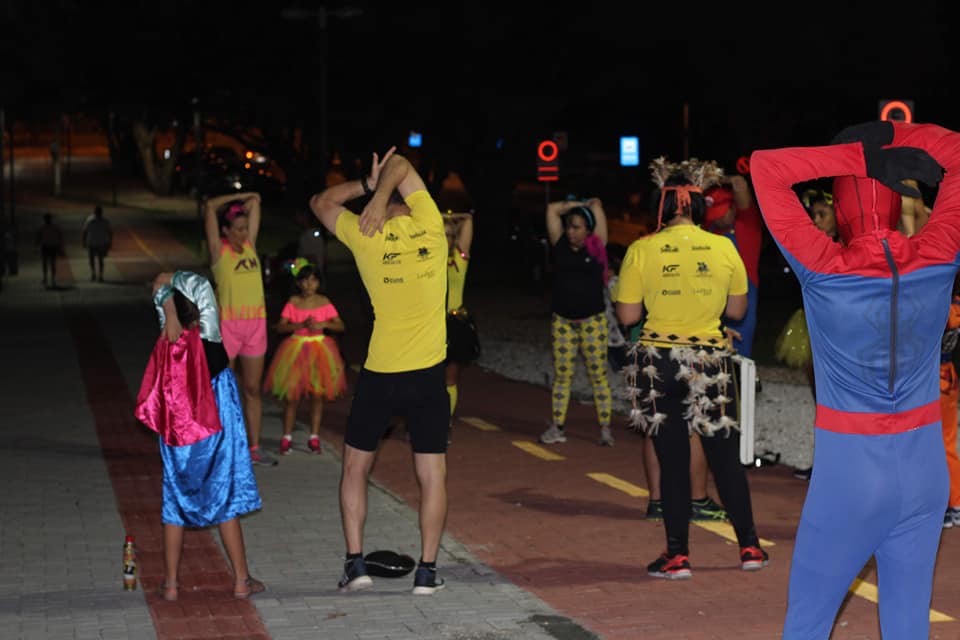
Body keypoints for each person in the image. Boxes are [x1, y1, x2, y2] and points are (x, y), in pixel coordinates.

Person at [750, 119, 950, 639]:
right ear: (897, 200)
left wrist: (856, 156)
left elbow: (766, 167)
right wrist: (899, 135)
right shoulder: (938, 253)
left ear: (839, 211)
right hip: (926, 468)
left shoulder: (824, 266)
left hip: (851, 473)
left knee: (809, 623)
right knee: (908, 623)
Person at [616, 156, 768, 580]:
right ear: (699, 205)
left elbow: (628, 316)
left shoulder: (642, 249)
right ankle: (750, 547)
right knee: (725, 459)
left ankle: (678, 555)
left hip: (658, 361)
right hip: (710, 360)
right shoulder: (724, 247)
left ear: (661, 206)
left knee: (673, 461)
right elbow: (736, 311)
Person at [310, 146, 450, 595]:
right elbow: (402, 165)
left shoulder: (366, 234)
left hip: (381, 374)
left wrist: (368, 189)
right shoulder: (432, 226)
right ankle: (426, 572)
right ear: (409, 203)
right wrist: (383, 187)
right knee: (432, 474)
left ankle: (355, 566)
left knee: (355, 466)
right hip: (428, 374)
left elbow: (320, 202)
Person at [135, 270, 264, 602]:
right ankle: (241, 580)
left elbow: (158, 280)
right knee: (225, 500)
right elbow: (199, 286)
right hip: (215, 433)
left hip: (180, 434)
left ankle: (171, 584)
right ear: (206, 305)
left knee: (174, 502)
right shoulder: (210, 335)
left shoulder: (169, 336)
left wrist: (168, 310)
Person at [204, 192, 276, 466]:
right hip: (228, 326)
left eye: (246, 228)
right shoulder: (217, 250)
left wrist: (249, 201)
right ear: (226, 230)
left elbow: (256, 202)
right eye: (238, 229)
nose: (244, 233)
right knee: (223, 389)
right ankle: (222, 448)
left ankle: (254, 447)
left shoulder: (250, 246)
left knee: (252, 389)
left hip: (255, 326)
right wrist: (241, 196)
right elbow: (210, 205)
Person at [538, 197, 615, 447]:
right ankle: (557, 426)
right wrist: (576, 204)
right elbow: (551, 209)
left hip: (592, 321)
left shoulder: (597, 246)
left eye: (577, 227)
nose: (571, 231)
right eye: (569, 226)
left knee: (598, 375)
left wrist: (591, 206)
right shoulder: (559, 244)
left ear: (588, 230)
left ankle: (605, 429)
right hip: (563, 322)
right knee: (562, 376)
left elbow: (598, 208)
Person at [773, 187, 839, 481]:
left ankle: (840, 466)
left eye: (823, 215)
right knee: (821, 401)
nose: (816, 221)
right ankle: (824, 464)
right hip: (811, 325)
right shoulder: (811, 248)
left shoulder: (849, 248)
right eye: (813, 215)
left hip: (838, 331)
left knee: (839, 403)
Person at [263, 258, 346, 455]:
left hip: (319, 350)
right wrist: (300, 325)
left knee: (317, 395)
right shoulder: (294, 302)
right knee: (292, 396)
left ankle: (314, 436)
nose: (309, 285)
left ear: (318, 282)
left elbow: (340, 325)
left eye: (313, 280)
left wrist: (323, 324)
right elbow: (280, 327)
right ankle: (287, 436)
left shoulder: (323, 301)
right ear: (299, 283)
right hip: (296, 349)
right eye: (305, 281)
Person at [702, 173, 763, 357]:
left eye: (723, 212)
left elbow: (740, 183)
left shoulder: (747, 225)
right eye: (714, 214)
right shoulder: (706, 230)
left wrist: (715, 178)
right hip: (709, 301)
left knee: (740, 360)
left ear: (734, 207)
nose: (718, 219)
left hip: (744, 303)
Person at [443, 210, 479, 431]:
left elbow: (468, 220)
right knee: (424, 378)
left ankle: (443, 423)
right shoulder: (422, 259)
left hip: (454, 324)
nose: (445, 239)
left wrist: (448, 216)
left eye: (449, 235)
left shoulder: (458, 259)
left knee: (450, 378)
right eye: (441, 234)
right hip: (428, 323)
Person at [82, 205, 112, 282]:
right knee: (100, 260)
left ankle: (94, 274)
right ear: (101, 212)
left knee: (93, 259)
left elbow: (85, 231)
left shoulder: (90, 220)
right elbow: (109, 232)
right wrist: (109, 242)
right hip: (100, 243)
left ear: (94, 212)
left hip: (92, 242)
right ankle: (99, 275)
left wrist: (84, 241)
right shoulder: (105, 221)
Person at [36, 213, 63, 288]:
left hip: (50, 246)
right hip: (48, 246)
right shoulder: (50, 227)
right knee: (49, 263)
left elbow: (38, 236)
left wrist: (59, 245)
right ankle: (48, 278)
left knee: (50, 263)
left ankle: (49, 278)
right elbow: (60, 236)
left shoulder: (46, 227)